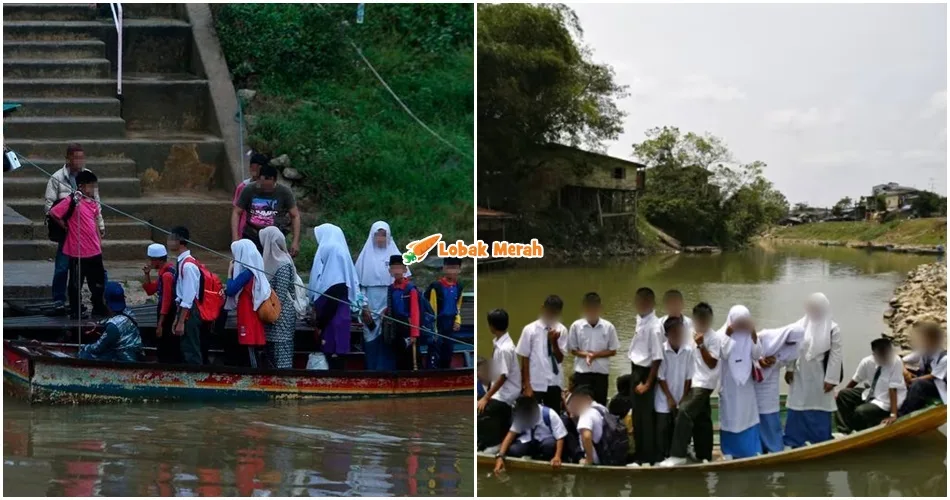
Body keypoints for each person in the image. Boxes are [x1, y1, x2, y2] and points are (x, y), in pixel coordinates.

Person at [44, 143, 104, 308]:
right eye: (75, 157)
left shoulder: (88, 176)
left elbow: (96, 205)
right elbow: (50, 208)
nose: (79, 161)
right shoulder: (57, 177)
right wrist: (64, 225)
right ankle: (59, 299)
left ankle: (97, 299)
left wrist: (100, 226)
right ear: (68, 158)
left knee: (92, 268)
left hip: (86, 232)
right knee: (63, 266)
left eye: (81, 157)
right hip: (68, 231)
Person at [661, 302, 720, 467]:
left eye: (706, 320)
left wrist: (701, 345)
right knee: (702, 418)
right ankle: (703, 454)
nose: (703, 323)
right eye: (700, 319)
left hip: (704, 382)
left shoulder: (714, 338)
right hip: (691, 379)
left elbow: (712, 364)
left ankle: (678, 454)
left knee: (685, 412)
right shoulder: (687, 333)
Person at [783, 293, 843, 449]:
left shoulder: (833, 329)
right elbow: (791, 347)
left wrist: (831, 379)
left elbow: (835, 355)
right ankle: (795, 440)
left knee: (819, 405)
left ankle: (819, 440)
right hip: (801, 372)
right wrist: (789, 368)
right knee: (798, 404)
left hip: (820, 375)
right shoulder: (800, 325)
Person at [356, 221, 410, 370]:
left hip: (390, 305)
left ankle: (389, 371)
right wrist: (364, 306)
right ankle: (372, 370)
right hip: (371, 304)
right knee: (371, 336)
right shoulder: (365, 256)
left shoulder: (396, 256)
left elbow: (404, 283)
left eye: (383, 235)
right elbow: (359, 287)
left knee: (390, 335)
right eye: (377, 235)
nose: (380, 238)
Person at [308, 223, 361, 370]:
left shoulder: (336, 283)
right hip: (333, 324)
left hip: (332, 326)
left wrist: (319, 324)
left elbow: (330, 305)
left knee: (334, 361)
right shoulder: (330, 278)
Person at [717, 305, 763, 459]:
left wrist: (753, 334)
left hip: (746, 385)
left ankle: (751, 449)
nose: (741, 326)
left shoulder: (749, 336)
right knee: (730, 417)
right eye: (738, 322)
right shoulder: (721, 335)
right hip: (730, 385)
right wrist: (728, 335)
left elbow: (757, 354)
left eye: (744, 322)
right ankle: (729, 451)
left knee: (747, 415)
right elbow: (723, 354)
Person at [835, 337, 906, 433]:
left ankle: (859, 430)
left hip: (887, 401)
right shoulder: (867, 362)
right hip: (872, 394)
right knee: (843, 394)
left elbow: (893, 388)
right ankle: (844, 430)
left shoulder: (896, 361)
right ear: (875, 354)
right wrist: (839, 394)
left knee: (861, 411)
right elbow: (855, 380)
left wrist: (893, 415)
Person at [753, 323, 805, 453]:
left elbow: (789, 360)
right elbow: (750, 348)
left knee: (770, 411)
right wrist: (760, 360)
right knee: (755, 411)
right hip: (756, 378)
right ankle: (757, 445)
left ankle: (773, 446)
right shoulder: (766, 335)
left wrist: (777, 363)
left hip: (772, 380)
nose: (791, 345)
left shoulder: (796, 347)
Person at [627, 287, 664, 465]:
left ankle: (648, 457)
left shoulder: (654, 327)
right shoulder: (641, 320)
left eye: (643, 302)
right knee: (637, 416)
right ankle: (639, 453)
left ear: (650, 303)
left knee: (646, 417)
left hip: (646, 372)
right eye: (638, 302)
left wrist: (648, 384)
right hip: (635, 369)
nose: (639, 305)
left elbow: (657, 358)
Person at [232, 164, 301, 256]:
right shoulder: (249, 190)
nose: (265, 190)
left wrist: (295, 241)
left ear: (274, 180)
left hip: (275, 236)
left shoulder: (284, 192)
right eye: (262, 186)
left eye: (269, 187)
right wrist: (235, 237)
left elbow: (295, 216)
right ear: (259, 179)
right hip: (252, 234)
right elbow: (236, 212)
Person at [516, 295, 569, 411]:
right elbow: (525, 358)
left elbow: (560, 359)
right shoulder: (530, 329)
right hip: (536, 382)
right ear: (543, 308)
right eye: (549, 311)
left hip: (554, 382)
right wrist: (527, 385)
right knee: (532, 415)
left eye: (554, 313)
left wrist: (554, 342)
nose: (551, 316)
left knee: (553, 414)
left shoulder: (562, 330)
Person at [477, 309, 521, 451]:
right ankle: (486, 441)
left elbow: (503, 376)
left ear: (491, 326)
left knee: (482, 410)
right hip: (500, 391)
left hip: (506, 393)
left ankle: (493, 444)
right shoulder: (500, 343)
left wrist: (486, 397)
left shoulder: (504, 348)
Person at [566, 292, 619, 406]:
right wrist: (587, 355)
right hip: (582, 373)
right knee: (582, 407)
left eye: (595, 308)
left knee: (600, 406)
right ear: (584, 308)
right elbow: (573, 350)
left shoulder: (608, 327)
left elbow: (613, 350)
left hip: (601, 373)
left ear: (600, 308)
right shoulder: (576, 326)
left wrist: (595, 355)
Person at [655, 316, 694, 462]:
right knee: (663, 426)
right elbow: (661, 377)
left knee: (681, 424)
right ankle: (661, 456)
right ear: (667, 335)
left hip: (681, 393)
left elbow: (689, 377)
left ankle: (680, 453)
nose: (678, 336)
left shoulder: (688, 351)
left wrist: (683, 397)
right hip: (664, 395)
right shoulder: (662, 351)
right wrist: (669, 398)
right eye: (674, 333)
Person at [493, 396, 568, 473]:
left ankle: (545, 461)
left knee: (549, 446)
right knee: (514, 450)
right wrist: (500, 456)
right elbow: (511, 434)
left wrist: (557, 456)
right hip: (528, 439)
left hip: (545, 439)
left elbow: (560, 437)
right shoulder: (521, 415)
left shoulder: (550, 414)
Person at [260, 226, 299, 369]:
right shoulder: (269, 263)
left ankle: (285, 385)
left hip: (281, 318)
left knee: (282, 356)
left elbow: (280, 295)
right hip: (271, 317)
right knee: (270, 357)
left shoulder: (282, 264)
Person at [169, 226, 209, 365]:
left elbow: (188, 296)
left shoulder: (188, 266)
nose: (168, 241)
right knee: (186, 346)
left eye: (170, 238)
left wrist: (181, 321)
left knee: (191, 348)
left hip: (190, 311)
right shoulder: (182, 262)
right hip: (184, 310)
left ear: (179, 240)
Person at [79, 282, 144, 362]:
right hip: (136, 352)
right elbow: (116, 319)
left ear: (105, 301)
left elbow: (97, 348)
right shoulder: (129, 312)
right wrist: (100, 323)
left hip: (124, 358)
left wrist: (84, 347)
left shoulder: (113, 326)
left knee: (86, 354)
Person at [141, 243, 180, 363]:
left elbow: (166, 301)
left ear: (156, 260)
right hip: (167, 313)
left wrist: (160, 324)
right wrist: (147, 274)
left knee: (166, 345)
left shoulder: (167, 275)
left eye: (151, 260)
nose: (150, 262)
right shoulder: (165, 272)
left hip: (168, 315)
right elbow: (150, 290)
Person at [899, 322, 947, 416]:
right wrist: (905, 372)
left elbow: (932, 376)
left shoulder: (945, 358)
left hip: (937, 386)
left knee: (918, 384)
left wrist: (912, 380)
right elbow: (901, 361)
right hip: (923, 378)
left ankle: (904, 413)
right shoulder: (923, 352)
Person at [425, 257, 464, 369]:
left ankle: (446, 372)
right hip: (438, 322)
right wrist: (434, 330)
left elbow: (458, 306)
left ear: (459, 270)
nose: (451, 271)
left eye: (454, 268)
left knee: (448, 351)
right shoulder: (436, 287)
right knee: (435, 350)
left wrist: (457, 320)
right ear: (443, 269)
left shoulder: (459, 287)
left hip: (450, 322)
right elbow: (432, 310)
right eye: (449, 268)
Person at [386, 255, 421, 370]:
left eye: (399, 268)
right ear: (390, 270)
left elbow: (415, 312)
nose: (396, 271)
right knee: (399, 356)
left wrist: (414, 334)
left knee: (411, 358)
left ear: (405, 270)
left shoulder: (410, 289)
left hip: (408, 326)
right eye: (394, 268)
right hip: (396, 328)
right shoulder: (391, 288)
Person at [232, 152, 268, 240]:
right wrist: (235, 236)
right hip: (245, 232)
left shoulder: (269, 187)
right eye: (252, 168)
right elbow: (236, 213)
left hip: (264, 231)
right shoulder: (243, 187)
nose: (255, 172)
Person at [570, 385, 607, 465]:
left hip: (596, 461)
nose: (574, 406)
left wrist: (589, 460)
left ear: (587, 399)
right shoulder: (602, 409)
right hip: (607, 455)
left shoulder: (586, 413)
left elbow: (586, 436)